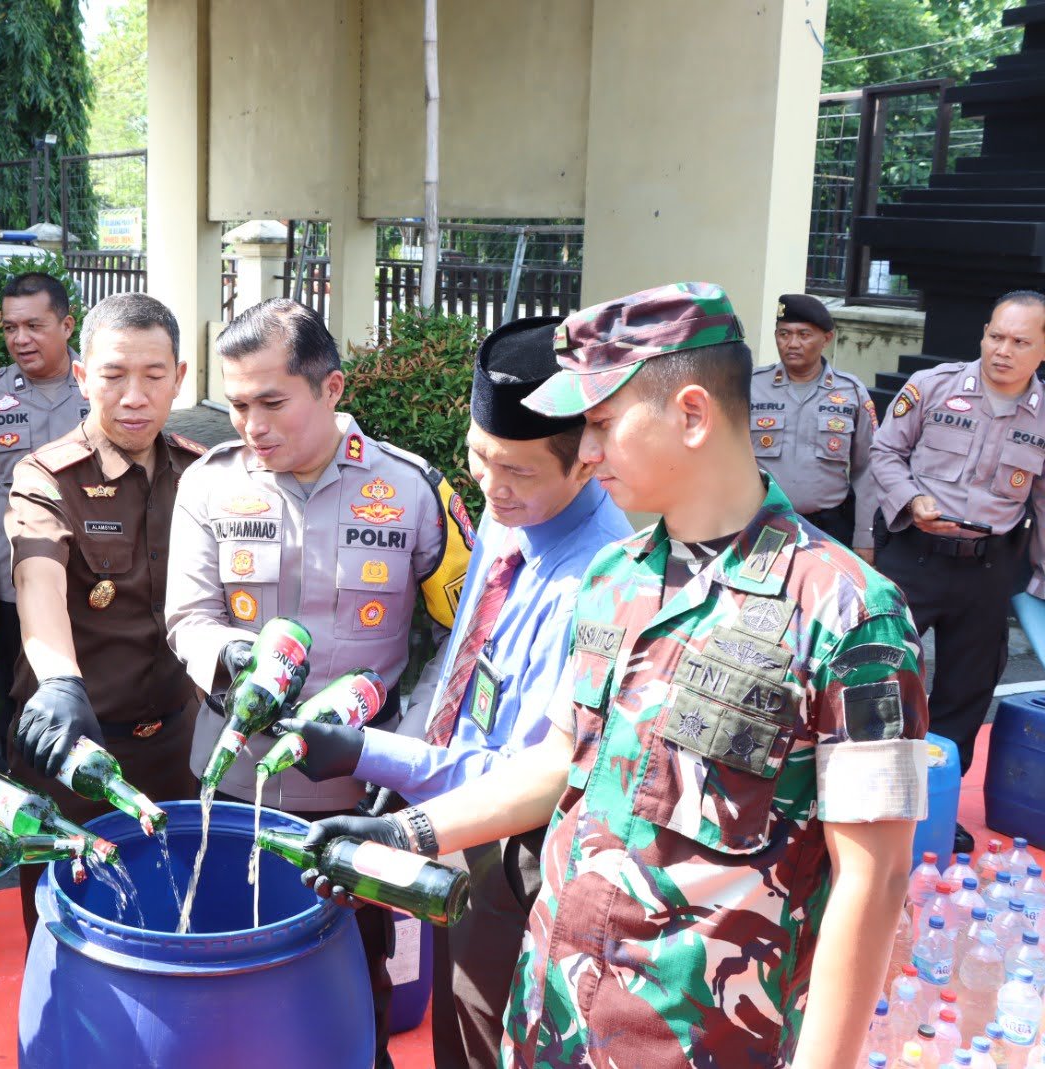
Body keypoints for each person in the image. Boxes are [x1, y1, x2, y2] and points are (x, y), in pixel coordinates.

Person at [299, 282, 929, 1068]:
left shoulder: (851, 614)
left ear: (692, 414)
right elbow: (561, 759)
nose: (585, 449)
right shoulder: (613, 579)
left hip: (699, 1042)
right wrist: (404, 831)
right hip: (553, 1017)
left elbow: (875, 878)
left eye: (599, 423)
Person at [286, 315, 631, 1069]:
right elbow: (463, 662)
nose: (494, 489)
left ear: (588, 462)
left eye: (520, 471)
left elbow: (530, 770)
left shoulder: (603, 581)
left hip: (523, 850)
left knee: (493, 1038)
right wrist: (408, 758)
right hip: (455, 818)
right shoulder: (511, 520)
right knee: (456, 1029)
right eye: (480, 457)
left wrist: (380, 758)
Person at [165, 297, 472, 1068]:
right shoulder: (208, 484)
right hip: (233, 785)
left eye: (272, 402)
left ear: (331, 389)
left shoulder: (412, 489)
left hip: (359, 791)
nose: (252, 425)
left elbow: (461, 642)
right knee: (231, 983)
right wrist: (227, 661)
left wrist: (398, 753)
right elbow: (189, 616)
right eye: (236, 405)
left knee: (357, 985)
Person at [6, 292, 206, 939]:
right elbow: (37, 578)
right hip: (73, 751)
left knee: (176, 920)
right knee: (67, 929)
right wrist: (60, 680)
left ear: (180, 377)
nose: (134, 395)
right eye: (115, 374)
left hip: (178, 747)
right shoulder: (45, 476)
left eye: (154, 375)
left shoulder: (204, 476)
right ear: (83, 374)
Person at [870, 289, 1045, 853]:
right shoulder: (934, 386)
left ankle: (934, 805)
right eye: (996, 335)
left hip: (988, 568)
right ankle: (865, 804)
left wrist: (1038, 581)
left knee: (965, 694)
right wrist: (910, 500)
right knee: (880, 676)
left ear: (1041, 349)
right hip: (913, 556)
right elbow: (884, 453)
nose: (1003, 350)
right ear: (983, 333)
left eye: (1020, 341)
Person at [0, 272, 88, 725]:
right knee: (27, 700)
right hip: (17, 585)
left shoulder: (100, 389)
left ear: (67, 326)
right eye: (10, 328)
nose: (20, 339)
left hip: (97, 577)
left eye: (34, 326)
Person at [749, 292, 877, 559]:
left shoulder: (851, 392)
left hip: (830, 528)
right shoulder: (751, 387)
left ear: (826, 338)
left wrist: (865, 536)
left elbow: (867, 470)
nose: (792, 343)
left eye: (804, 335)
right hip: (763, 522)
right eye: (784, 334)